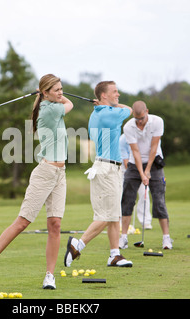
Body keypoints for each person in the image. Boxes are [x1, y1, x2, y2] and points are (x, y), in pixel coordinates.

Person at [0, 74, 73, 290]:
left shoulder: (50, 106)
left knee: (55, 225)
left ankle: (49, 276)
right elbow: (70, 104)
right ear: (44, 93)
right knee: (22, 222)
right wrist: (60, 98)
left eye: (62, 88)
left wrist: (54, 95)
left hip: (59, 175)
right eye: (57, 90)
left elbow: (64, 102)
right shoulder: (50, 109)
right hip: (45, 173)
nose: (61, 93)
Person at [64, 81, 133, 268]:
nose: (118, 95)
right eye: (115, 92)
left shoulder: (97, 113)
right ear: (103, 95)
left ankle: (114, 255)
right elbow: (131, 109)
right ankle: (77, 245)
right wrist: (112, 105)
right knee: (105, 215)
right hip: (107, 169)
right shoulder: (108, 115)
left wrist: (106, 105)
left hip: (110, 168)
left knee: (113, 215)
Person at [121, 100, 173, 250]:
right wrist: (141, 173)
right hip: (133, 164)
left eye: (142, 119)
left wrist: (148, 170)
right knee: (127, 200)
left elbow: (154, 147)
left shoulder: (157, 122)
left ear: (147, 112)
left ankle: (166, 238)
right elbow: (135, 152)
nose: (139, 122)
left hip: (154, 163)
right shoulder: (128, 126)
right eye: (137, 119)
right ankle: (123, 238)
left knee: (159, 200)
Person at [119, 133, 152, 249]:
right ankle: (120, 223)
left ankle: (145, 221)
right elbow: (126, 161)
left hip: (142, 169)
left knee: (144, 194)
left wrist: (143, 174)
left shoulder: (144, 138)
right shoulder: (123, 139)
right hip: (127, 170)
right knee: (126, 198)